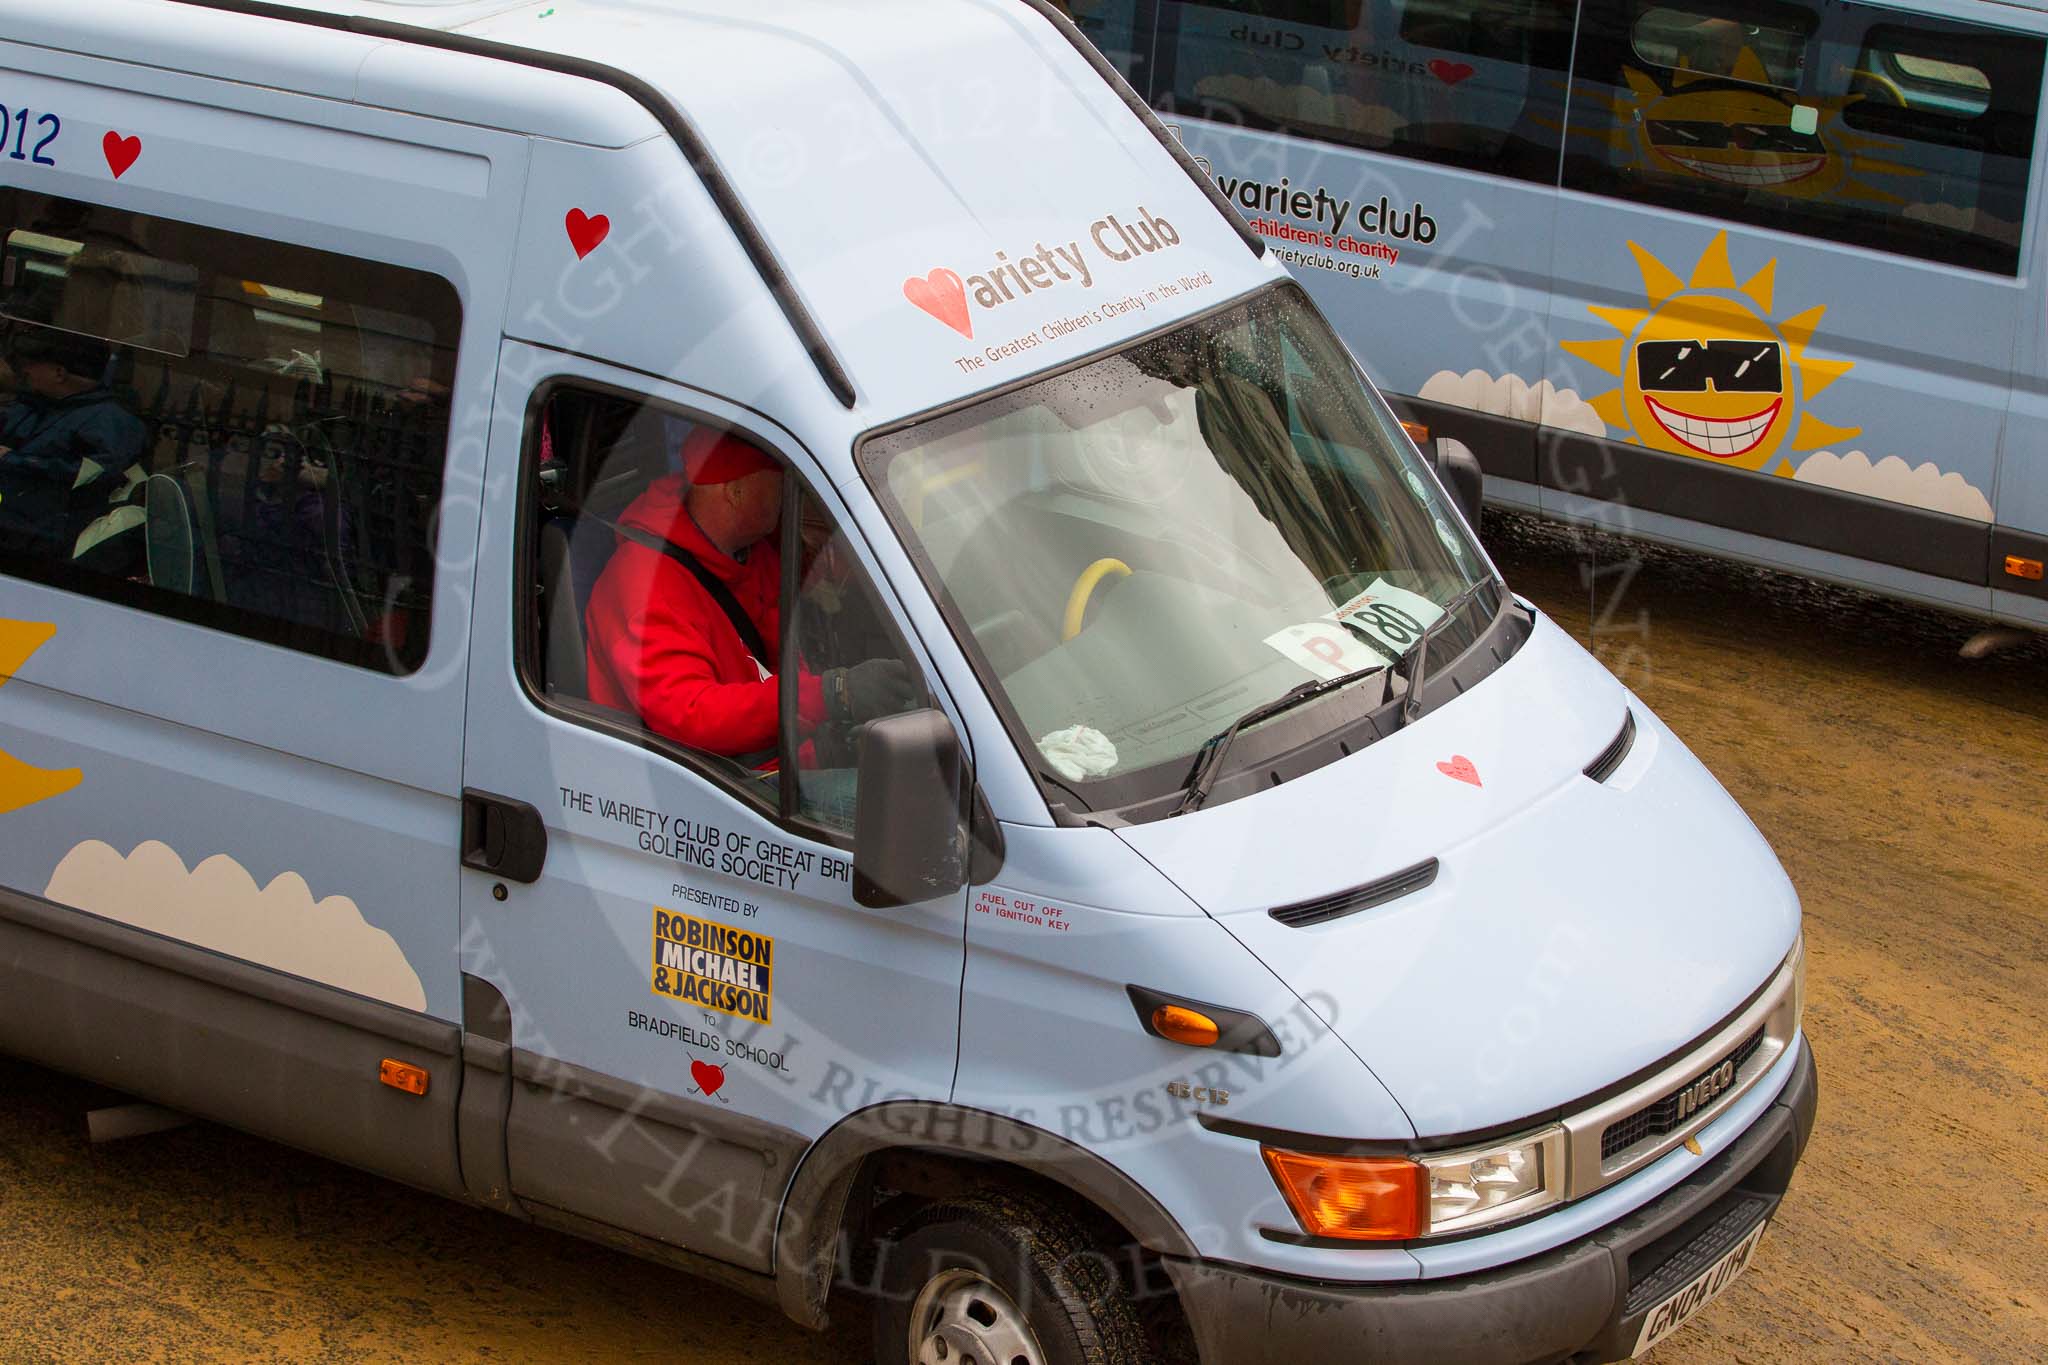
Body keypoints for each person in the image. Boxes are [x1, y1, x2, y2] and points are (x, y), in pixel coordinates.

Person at [584, 426, 915, 761]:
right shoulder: (644, 583)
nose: (791, 491)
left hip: (775, 762)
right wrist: (832, 693)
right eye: (779, 478)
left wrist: (825, 743)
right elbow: (691, 715)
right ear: (735, 492)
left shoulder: (749, 549)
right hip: (711, 784)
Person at [0, 328, 144, 561]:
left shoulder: (111, 421)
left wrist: (13, 461)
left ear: (58, 373)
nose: (25, 371)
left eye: (32, 364)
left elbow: (93, 476)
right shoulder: (42, 403)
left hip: (47, 536)